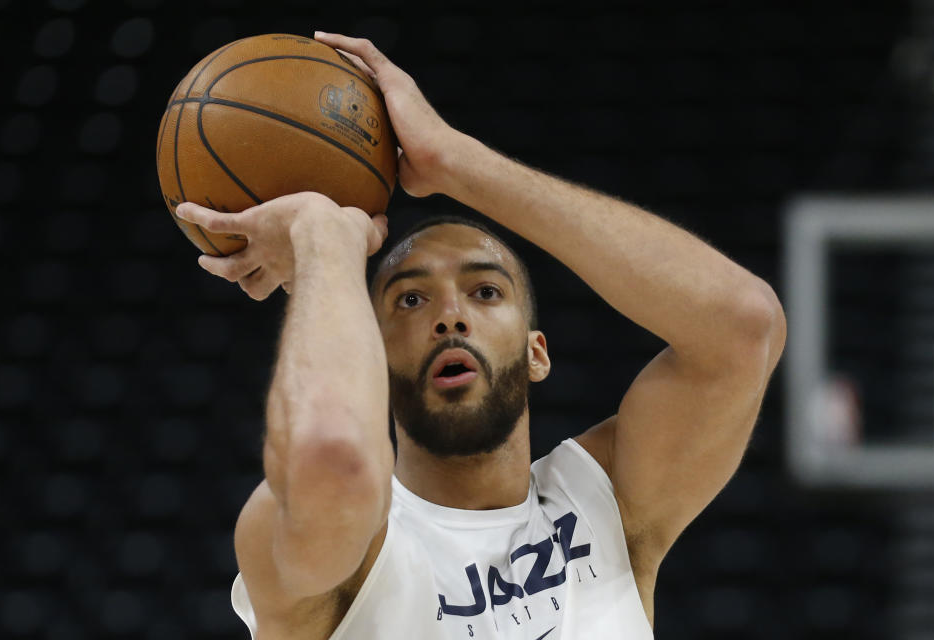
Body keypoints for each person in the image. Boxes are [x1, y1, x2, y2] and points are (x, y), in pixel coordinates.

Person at [174, 31, 786, 640]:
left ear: (536, 351)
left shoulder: (606, 508)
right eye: (410, 299)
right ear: (373, 360)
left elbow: (742, 326)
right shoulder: (353, 557)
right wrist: (323, 240)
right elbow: (333, 460)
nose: (450, 316)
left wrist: (453, 161)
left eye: (486, 291)